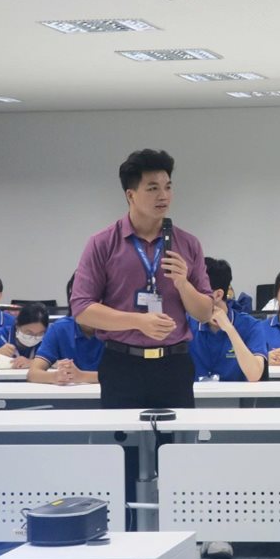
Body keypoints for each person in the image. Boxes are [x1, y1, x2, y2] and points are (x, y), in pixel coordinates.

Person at [70, 149, 214, 408]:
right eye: (153, 188)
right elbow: (81, 309)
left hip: (174, 364)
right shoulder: (103, 243)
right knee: (123, 435)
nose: (164, 196)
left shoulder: (188, 244)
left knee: (177, 435)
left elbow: (205, 313)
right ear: (130, 195)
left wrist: (183, 284)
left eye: (168, 187)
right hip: (122, 364)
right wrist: (138, 322)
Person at [188, 258, 268, 382]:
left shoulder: (251, 326)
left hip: (236, 394)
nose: (190, 297)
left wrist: (230, 329)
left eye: (196, 292)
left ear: (218, 295)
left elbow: (254, 375)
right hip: (194, 394)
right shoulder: (185, 324)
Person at [29, 276, 103, 385]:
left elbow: (124, 375)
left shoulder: (118, 329)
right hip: (72, 393)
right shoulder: (59, 329)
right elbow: (33, 374)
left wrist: (81, 376)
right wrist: (56, 376)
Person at [0, 301, 50, 368]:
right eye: (29, 333)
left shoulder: (47, 338)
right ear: (17, 325)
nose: (34, 337)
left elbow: (56, 362)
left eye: (40, 333)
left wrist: (32, 362)